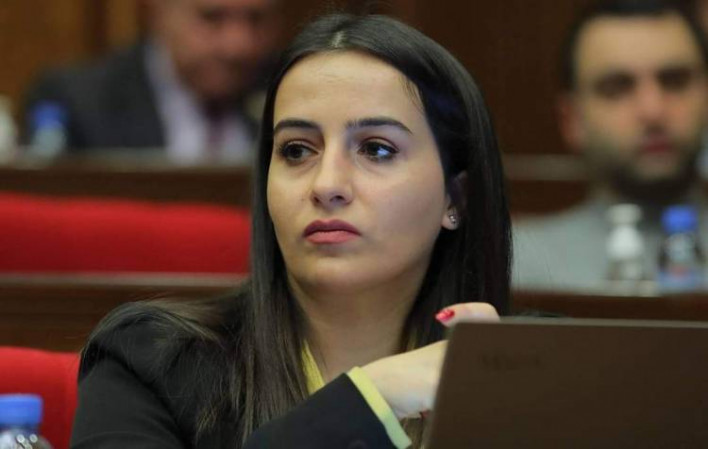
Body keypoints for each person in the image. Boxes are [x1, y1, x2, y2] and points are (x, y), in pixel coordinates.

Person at [69, 12, 511, 449]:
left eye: (376, 150)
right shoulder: (151, 362)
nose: (327, 185)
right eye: (297, 151)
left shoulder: (526, 366)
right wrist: (367, 401)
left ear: (456, 198)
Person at [513, 0, 708, 290]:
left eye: (675, 81)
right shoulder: (515, 266)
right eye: (617, 87)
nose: (653, 111)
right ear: (572, 119)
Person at [23, 0, 281, 164]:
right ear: (156, 11)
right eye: (211, 17)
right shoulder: (76, 103)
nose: (238, 46)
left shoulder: (283, 91)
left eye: (256, 19)